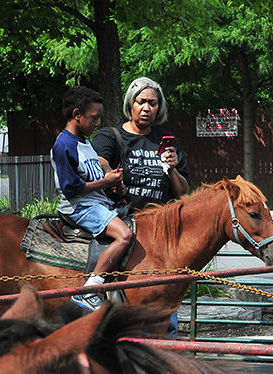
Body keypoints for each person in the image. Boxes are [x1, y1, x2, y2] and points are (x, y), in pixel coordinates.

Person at [51, 86, 134, 311]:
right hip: (80, 207)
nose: (97, 123)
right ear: (77, 114)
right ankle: (90, 290)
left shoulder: (84, 141)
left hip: (97, 203)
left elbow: (95, 172)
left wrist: (112, 182)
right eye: (94, 118)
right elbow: (71, 189)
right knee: (125, 235)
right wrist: (106, 183)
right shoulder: (64, 145)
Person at [92, 77, 190, 210]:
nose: (146, 108)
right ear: (130, 103)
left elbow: (183, 193)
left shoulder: (167, 141)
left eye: (152, 103)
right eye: (141, 102)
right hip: (123, 218)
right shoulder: (110, 136)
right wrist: (110, 173)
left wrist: (172, 169)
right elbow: (96, 160)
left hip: (160, 218)